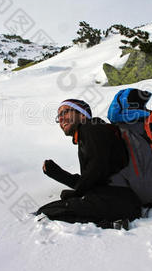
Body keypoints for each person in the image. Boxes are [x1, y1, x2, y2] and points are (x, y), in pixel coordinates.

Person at [36, 98, 142, 228]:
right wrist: (58, 174)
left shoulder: (91, 127)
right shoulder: (90, 134)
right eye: (59, 116)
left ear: (82, 115)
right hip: (120, 201)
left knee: (48, 212)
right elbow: (92, 178)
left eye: (65, 112)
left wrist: (76, 193)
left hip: (118, 198)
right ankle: (112, 223)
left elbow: (97, 166)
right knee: (52, 210)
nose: (61, 119)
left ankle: (110, 223)